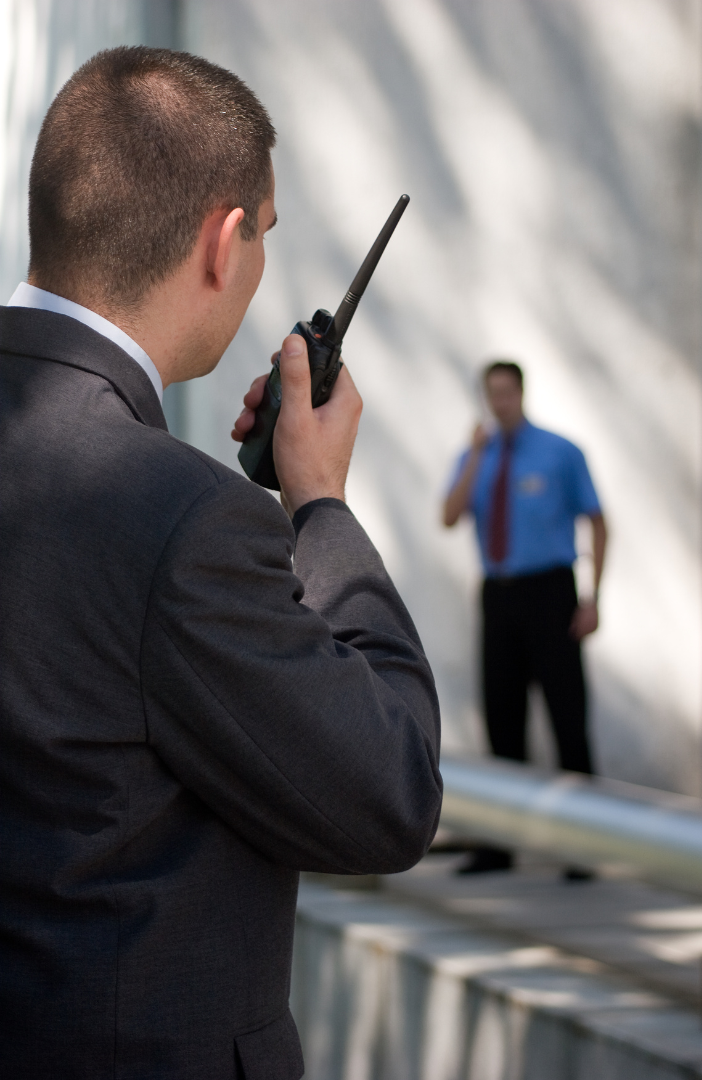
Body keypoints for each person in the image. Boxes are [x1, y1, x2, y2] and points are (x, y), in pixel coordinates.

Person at [0, 47, 442, 1079]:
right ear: (224, 239)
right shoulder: (182, 519)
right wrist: (319, 503)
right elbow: (391, 792)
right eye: (266, 238)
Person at [443, 360, 606, 875]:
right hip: (499, 593)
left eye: (507, 393)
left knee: (567, 718)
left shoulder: (560, 452)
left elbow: (600, 522)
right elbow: (449, 516)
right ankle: (499, 845)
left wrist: (594, 598)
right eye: (492, 394)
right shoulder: (476, 456)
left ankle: (585, 847)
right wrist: (473, 456)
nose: (500, 403)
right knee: (502, 719)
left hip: (552, 592)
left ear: (521, 393)